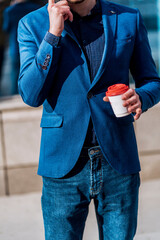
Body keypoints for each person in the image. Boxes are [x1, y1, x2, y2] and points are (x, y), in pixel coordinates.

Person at [17, 0, 160, 239]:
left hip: (117, 160)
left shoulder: (128, 17)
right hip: (62, 165)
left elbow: (153, 81)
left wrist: (141, 97)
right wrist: (53, 35)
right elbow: (30, 94)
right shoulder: (32, 24)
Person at [3, 0, 40, 95]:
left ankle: (15, 94)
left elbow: (6, 28)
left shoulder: (10, 10)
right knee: (31, 71)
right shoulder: (35, 8)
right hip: (33, 46)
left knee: (15, 73)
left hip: (15, 46)